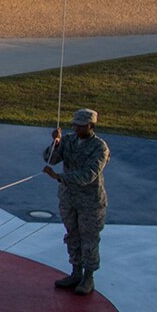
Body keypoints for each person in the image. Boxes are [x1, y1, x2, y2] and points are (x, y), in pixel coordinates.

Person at [44, 108, 111, 295]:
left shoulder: (100, 147)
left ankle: (88, 277)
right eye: (75, 124)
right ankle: (75, 272)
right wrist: (55, 143)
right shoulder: (69, 140)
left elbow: (89, 175)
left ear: (91, 126)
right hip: (69, 198)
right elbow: (50, 158)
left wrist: (59, 177)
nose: (76, 128)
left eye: (81, 125)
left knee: (89, 237)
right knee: (72, 235)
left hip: (90, 201)